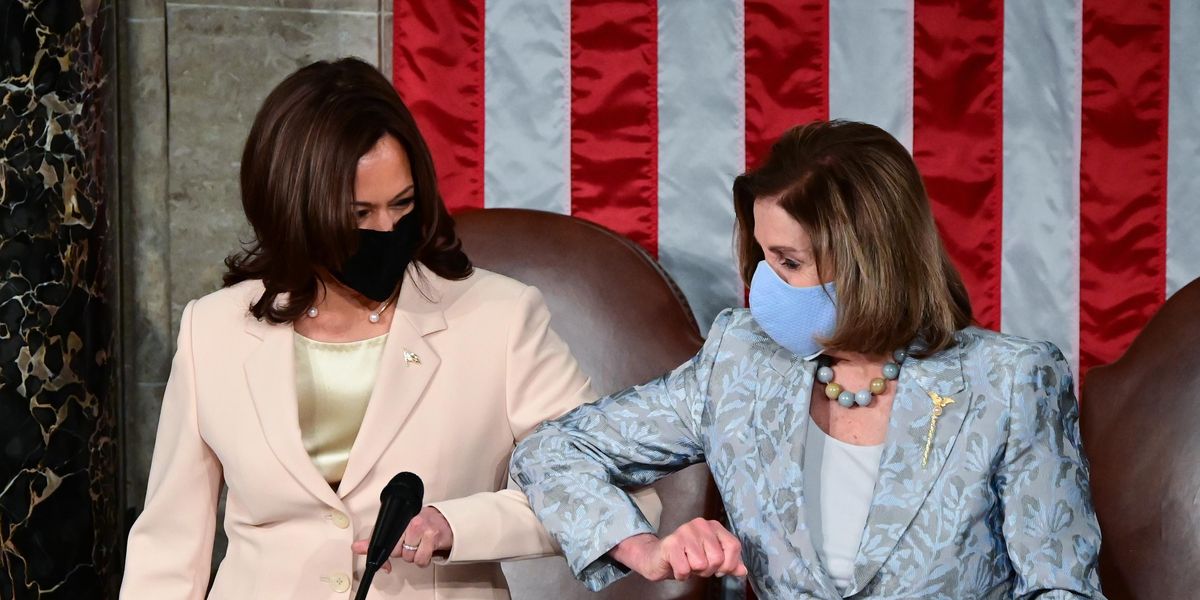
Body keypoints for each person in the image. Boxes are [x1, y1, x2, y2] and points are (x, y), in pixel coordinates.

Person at [120, 57, 656, 599]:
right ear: (295, 210)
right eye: (358, 214)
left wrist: (457, 526)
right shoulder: (211, 330)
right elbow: (168, 550)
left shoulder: (501, 318)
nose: (386, 231)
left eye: (401, 206)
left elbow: (619, 491)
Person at [512, 120, 1105, 599]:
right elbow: (552, 449)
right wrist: (642, 546)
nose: (765, 283)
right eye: (763, 256)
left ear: (870, 262)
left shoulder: (1012, 380)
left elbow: (1061, 589)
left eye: (789, 263)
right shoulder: (740, 362)